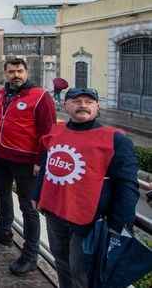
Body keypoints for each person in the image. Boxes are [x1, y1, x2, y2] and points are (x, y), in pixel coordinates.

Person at [32, 88, 139, 288]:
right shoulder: (56, 131)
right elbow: (46, 163)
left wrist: (119, 226)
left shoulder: (116, 139)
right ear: (65, 105)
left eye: (89, 102)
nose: (83, 105)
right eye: (76, 101)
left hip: (88, 220)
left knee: (81, 273)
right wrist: (37, 194)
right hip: (55, 213)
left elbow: (127, 185)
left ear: (97, 107)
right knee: (61, 263)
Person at [0, 58, 56, 276]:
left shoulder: (40, 96)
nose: (16, 75)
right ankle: (4, 231)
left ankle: (30, 255)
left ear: (26, 71)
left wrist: (40, 163)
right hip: (1, 156)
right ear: (5, 73)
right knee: (2, 194)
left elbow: (48, 133)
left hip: (27, 163)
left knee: (28, 208)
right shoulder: (1, 94)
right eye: (11, 71)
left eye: (20, 71)